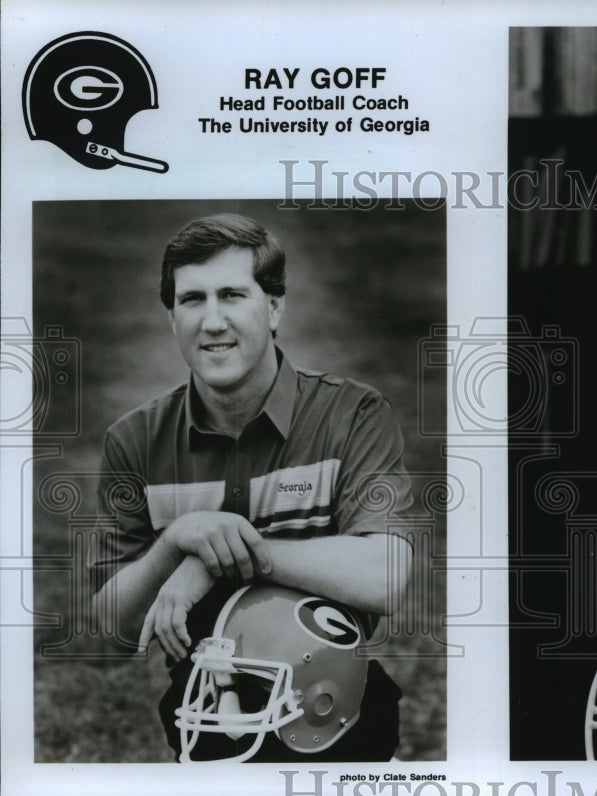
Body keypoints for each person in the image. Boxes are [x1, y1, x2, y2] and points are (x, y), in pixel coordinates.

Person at [90, 213, 413, 761]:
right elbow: (111, 632)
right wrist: (176, 542)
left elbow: (385, 576)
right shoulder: (134, 441)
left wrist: (216, 557)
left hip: (328, 698)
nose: (212, 322)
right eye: (192, 300)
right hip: (207, 704)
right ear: (172, 317)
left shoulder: (352, 413)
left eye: (233, 295)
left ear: (274, 306)